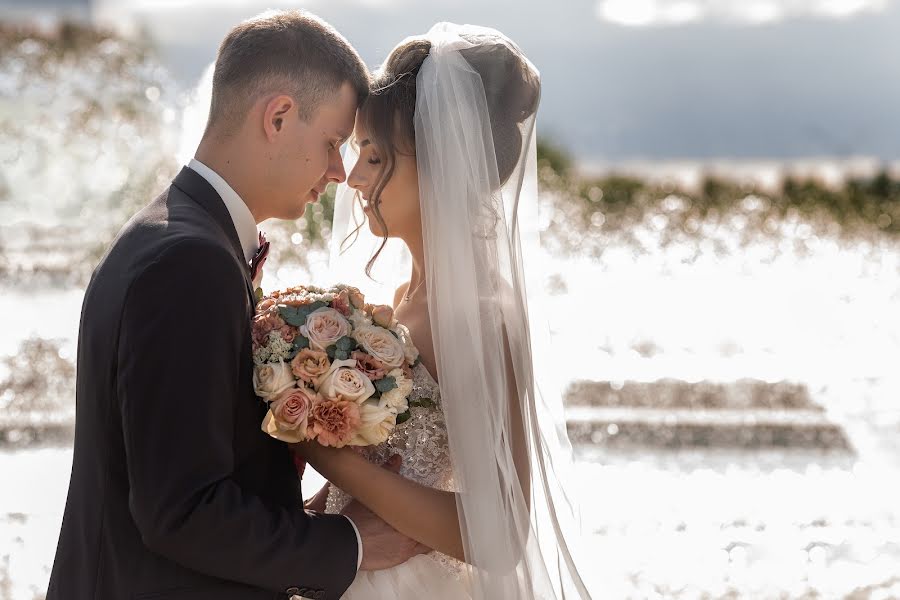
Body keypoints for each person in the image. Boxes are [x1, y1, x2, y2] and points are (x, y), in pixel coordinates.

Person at [46, 11, 426, 600]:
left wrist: (302, 515)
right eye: (331, 142)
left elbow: (182, 464)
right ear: (277, 116)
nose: (337, 171)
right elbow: (180, 510)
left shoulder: (176, 235)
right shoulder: (187, 263)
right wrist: (349, 544)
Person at [298, 23, 594, 599]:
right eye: (359, 153)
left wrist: (333, 461)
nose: (354, 178)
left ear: (441, 168)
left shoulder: (480, 317)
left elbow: (502, 532)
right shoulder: (395, 303)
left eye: (377, 158)